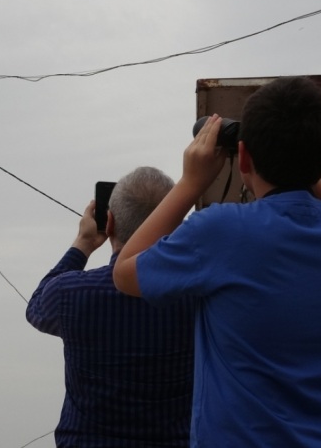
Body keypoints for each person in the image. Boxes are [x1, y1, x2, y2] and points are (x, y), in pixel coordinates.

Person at [113, 77, 321, 447]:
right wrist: (301, 163)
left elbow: (124, 273)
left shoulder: (221, 231)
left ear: (243, 156)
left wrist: (191, 182)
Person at [27, 166, 196, 448]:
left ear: (110, 223)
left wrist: (82, 244)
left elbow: (36, 308)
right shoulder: (197, 298)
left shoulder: (71, 293)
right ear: (175, 224)